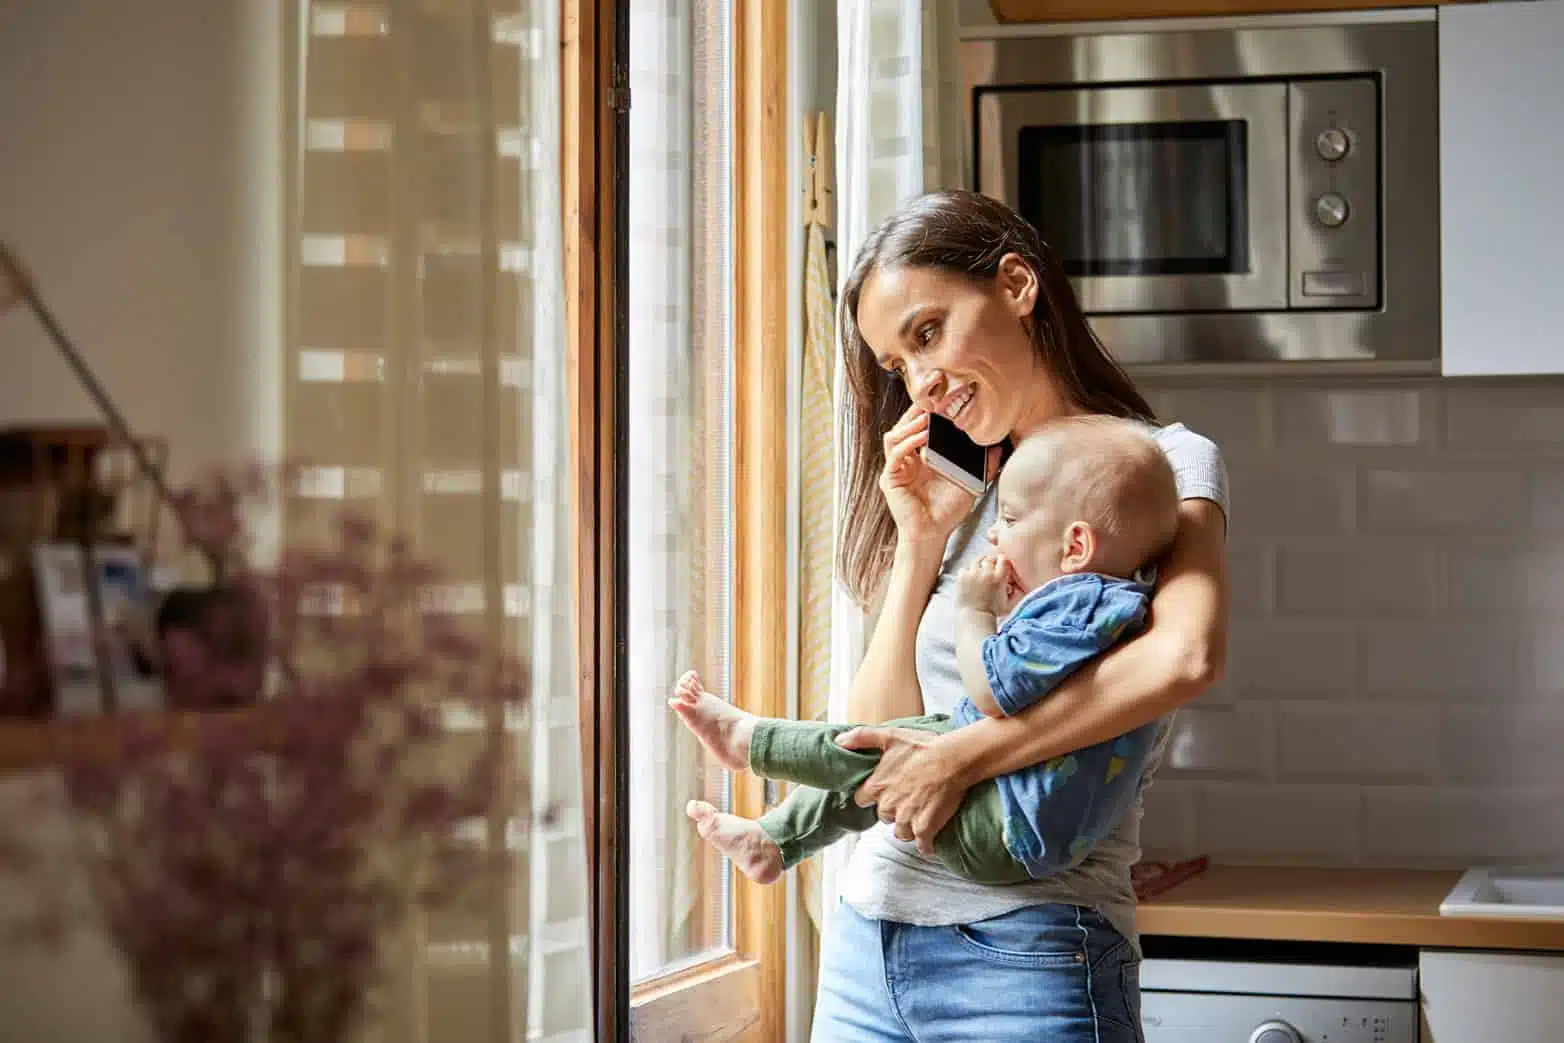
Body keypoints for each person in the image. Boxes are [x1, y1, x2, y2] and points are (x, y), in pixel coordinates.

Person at [801, 189, 1229, 1042]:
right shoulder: (962, 492)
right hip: (866, 945)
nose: (919, 380)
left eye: (927, 332)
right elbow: (875, 747)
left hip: (1032, 951)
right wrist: (920, 542)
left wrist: (962, 756)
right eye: (896, 364)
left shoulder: (1160, 466)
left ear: (1017, 284)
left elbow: (1186, 656)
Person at [670, 415, 1180, 888]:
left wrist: (974, 610)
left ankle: (752, 742)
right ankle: (775, 840)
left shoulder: (1076, 605)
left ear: (1074, 548)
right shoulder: (1116, 607)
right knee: (895, 748)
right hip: (1022, 835)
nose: (995, 535)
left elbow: (989, 693)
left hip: (1004, 826)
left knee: (896, 743)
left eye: (1009, 518)